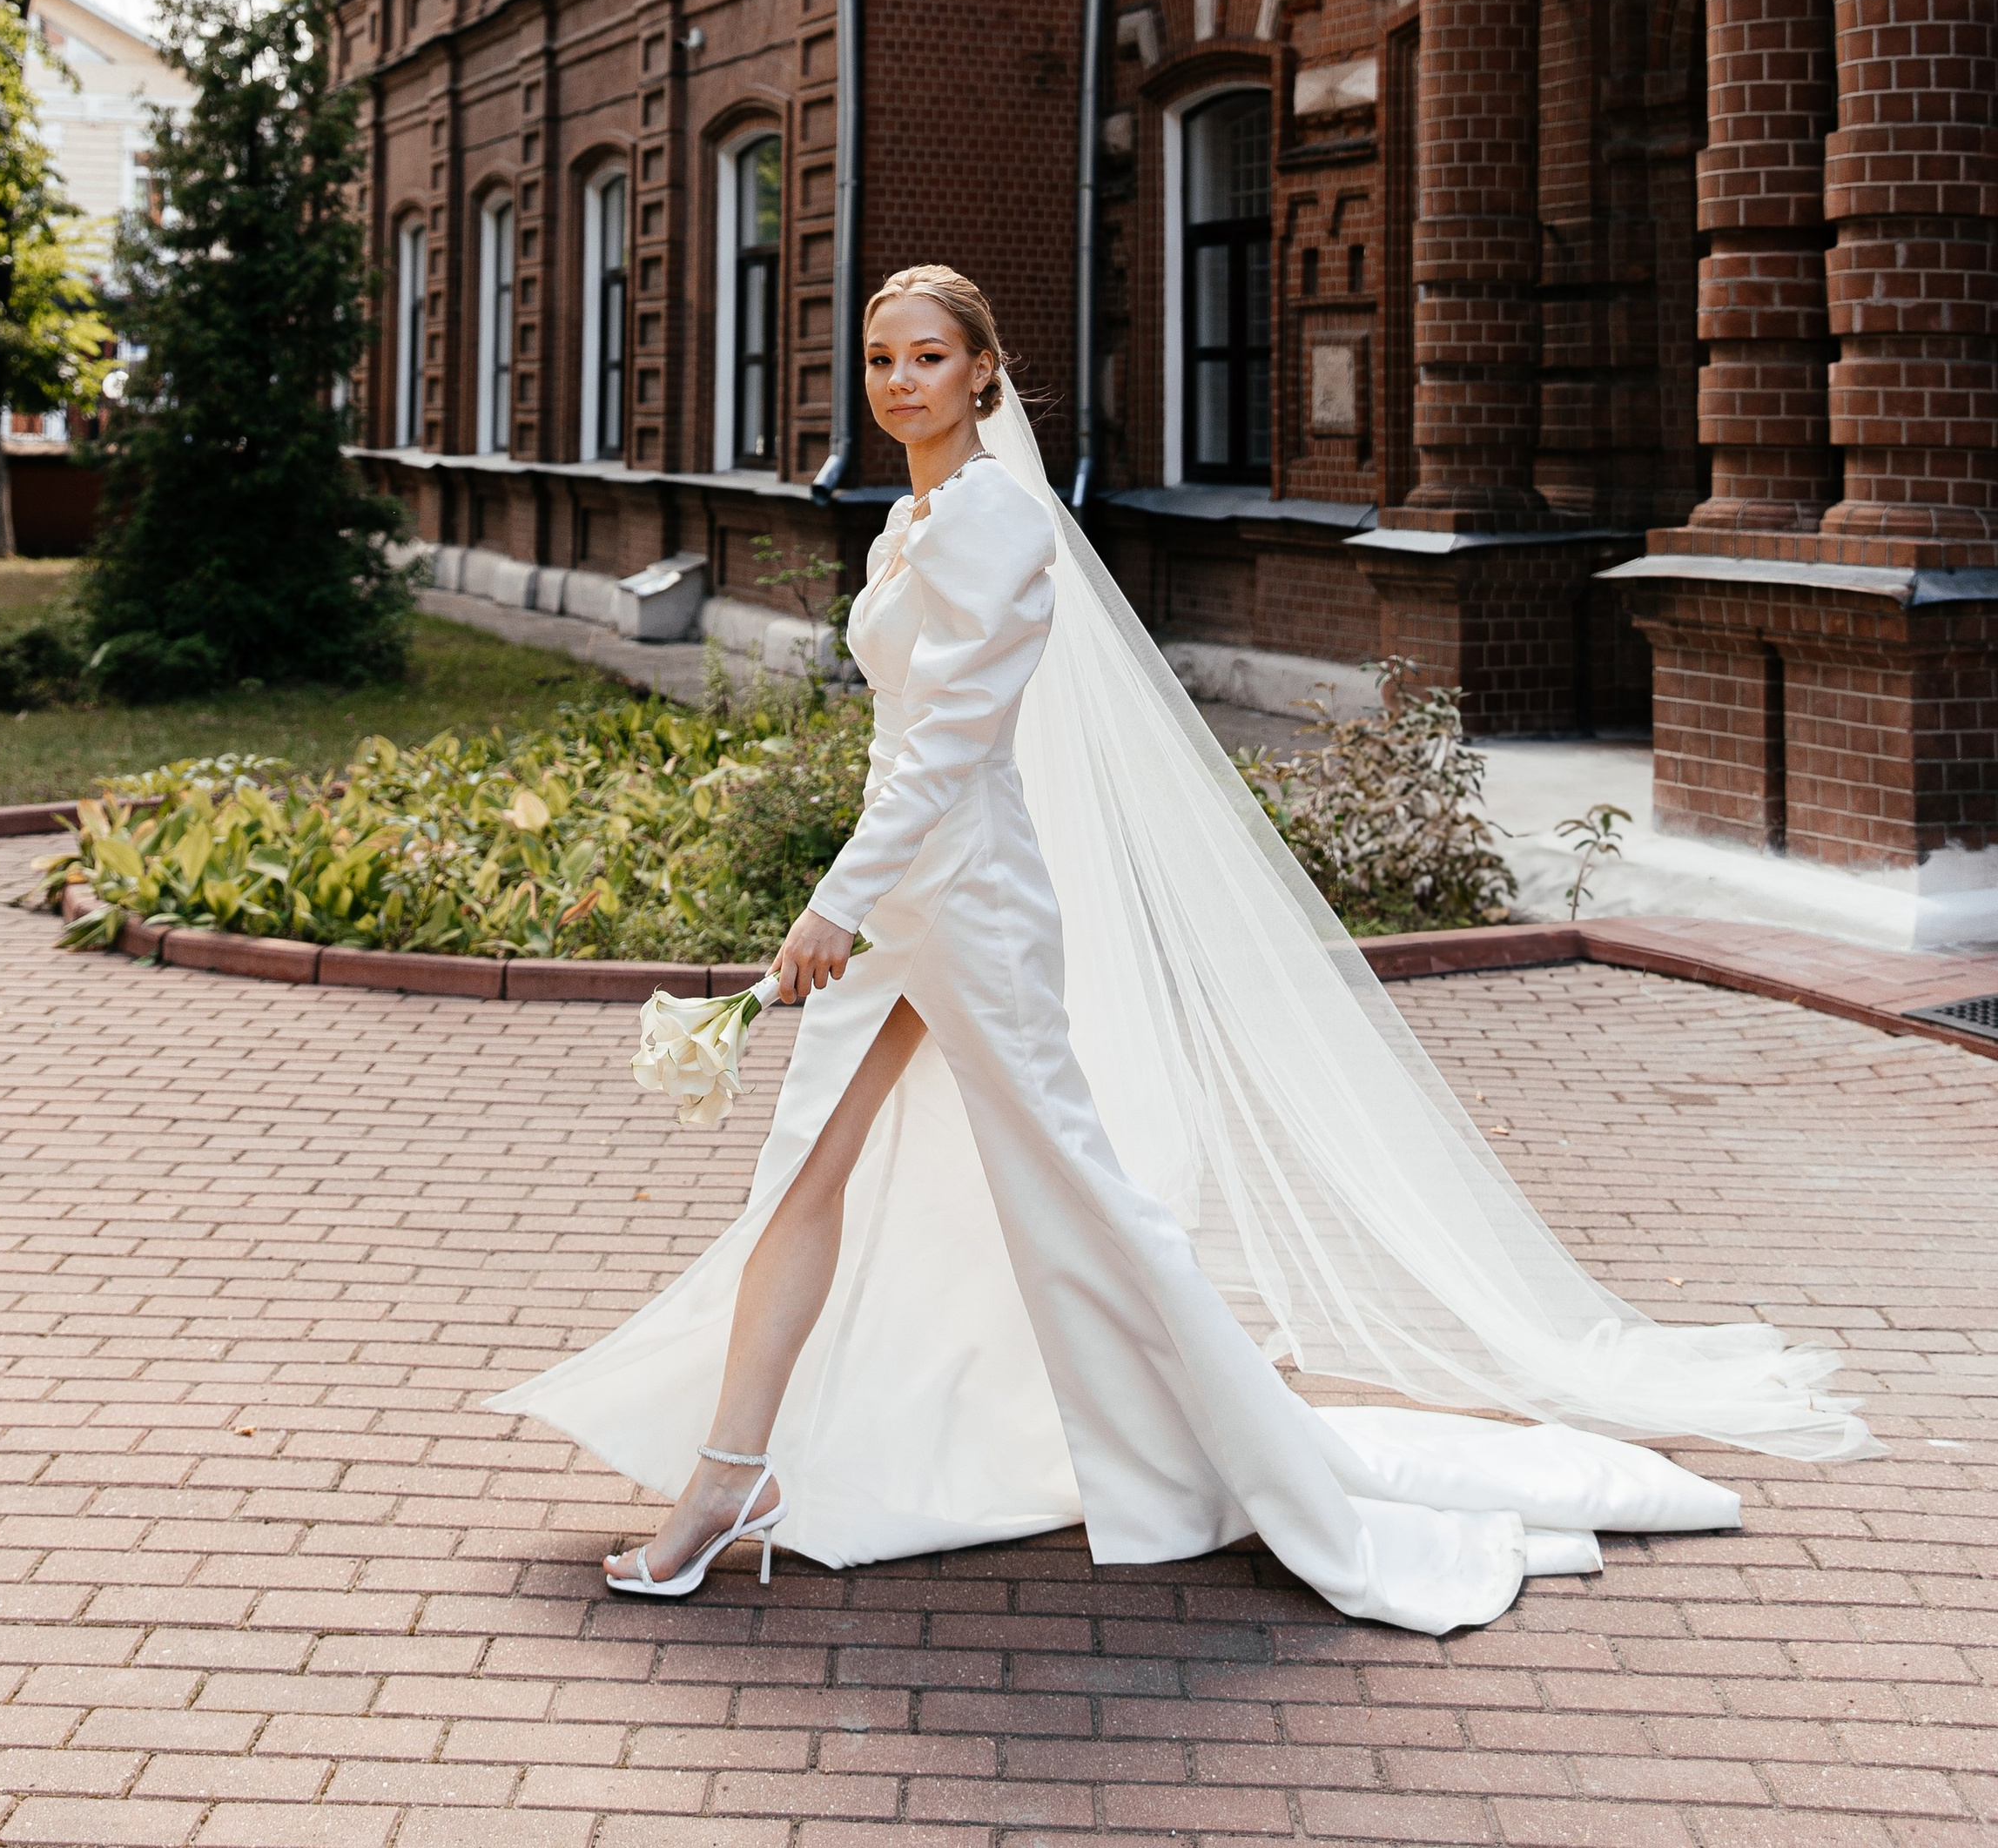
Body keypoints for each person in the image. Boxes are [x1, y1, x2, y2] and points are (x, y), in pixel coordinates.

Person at [491, 266, 1867, 1633]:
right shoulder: (907, 528)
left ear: (984, 372)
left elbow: (955, 748)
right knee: (803, 1174)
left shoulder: (996, 525)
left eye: (925, 358)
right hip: (905, 888)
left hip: (964, 901)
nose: (898, 383)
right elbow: (898, 745)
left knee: (1079, 1188)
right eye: (877, 361)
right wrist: (858, 895)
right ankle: (731, 1479)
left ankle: (1266, 1457)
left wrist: (835, 903)